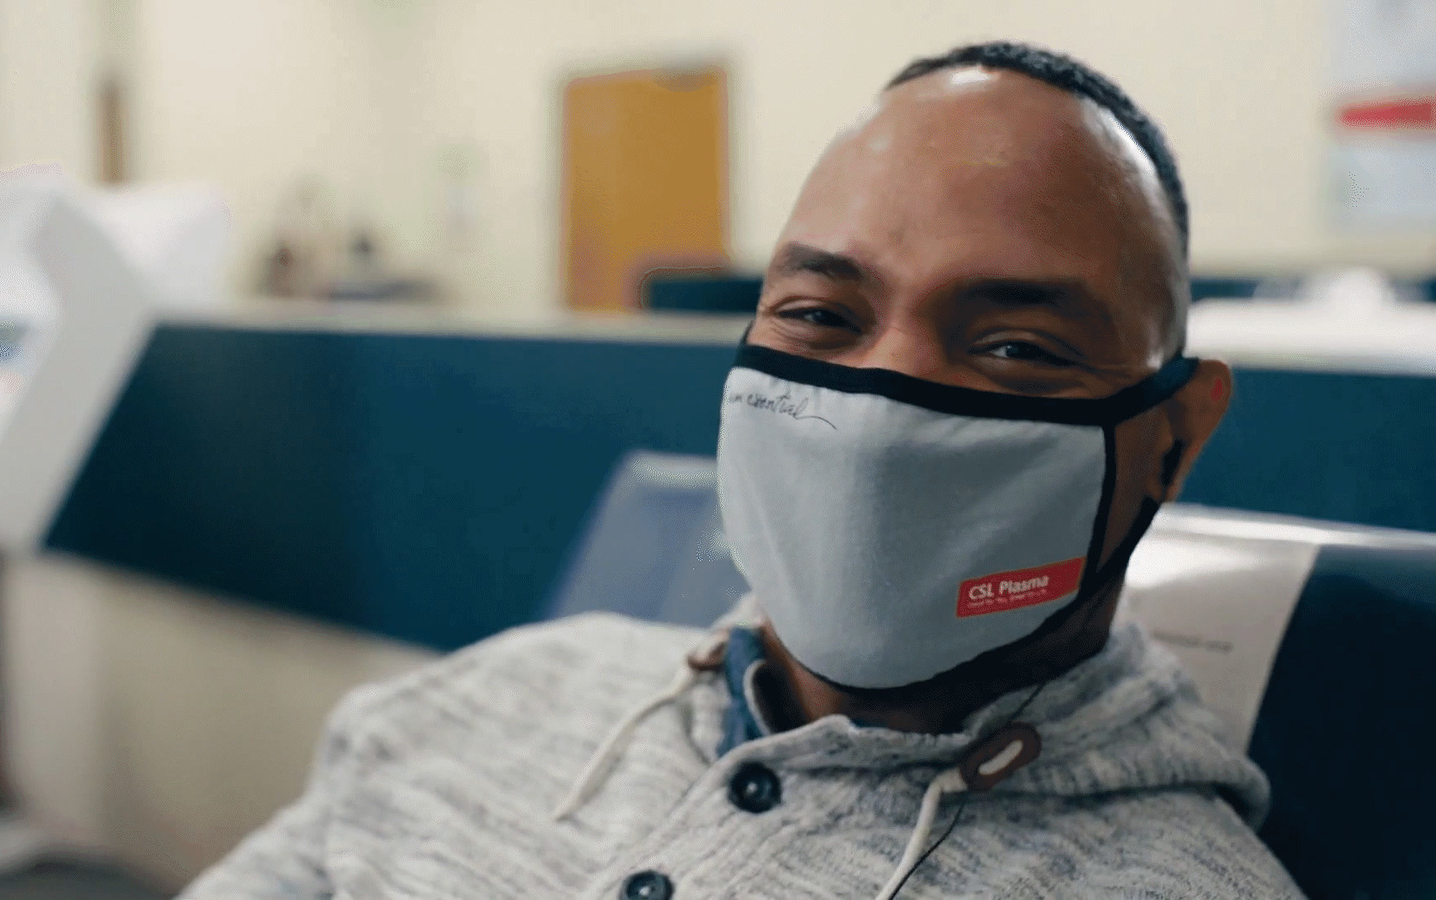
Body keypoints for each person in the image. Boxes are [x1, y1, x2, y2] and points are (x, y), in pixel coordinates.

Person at [178, 42, 1304, 899]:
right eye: (820, 314)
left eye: (1014, 345)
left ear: (1170, 439)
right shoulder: (480, 701)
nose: (880, 413)